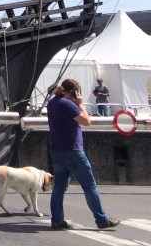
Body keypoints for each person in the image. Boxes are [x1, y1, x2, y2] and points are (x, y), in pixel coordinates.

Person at [47, 78, 118, 231]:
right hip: (73, 151)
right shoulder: (68, 104)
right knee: (89, 186)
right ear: (75, 92)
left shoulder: (52, 102)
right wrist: (80, 103)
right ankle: (101, 219)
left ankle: (57, 220)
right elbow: (86, 121)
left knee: (59, 186)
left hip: (57, 150)